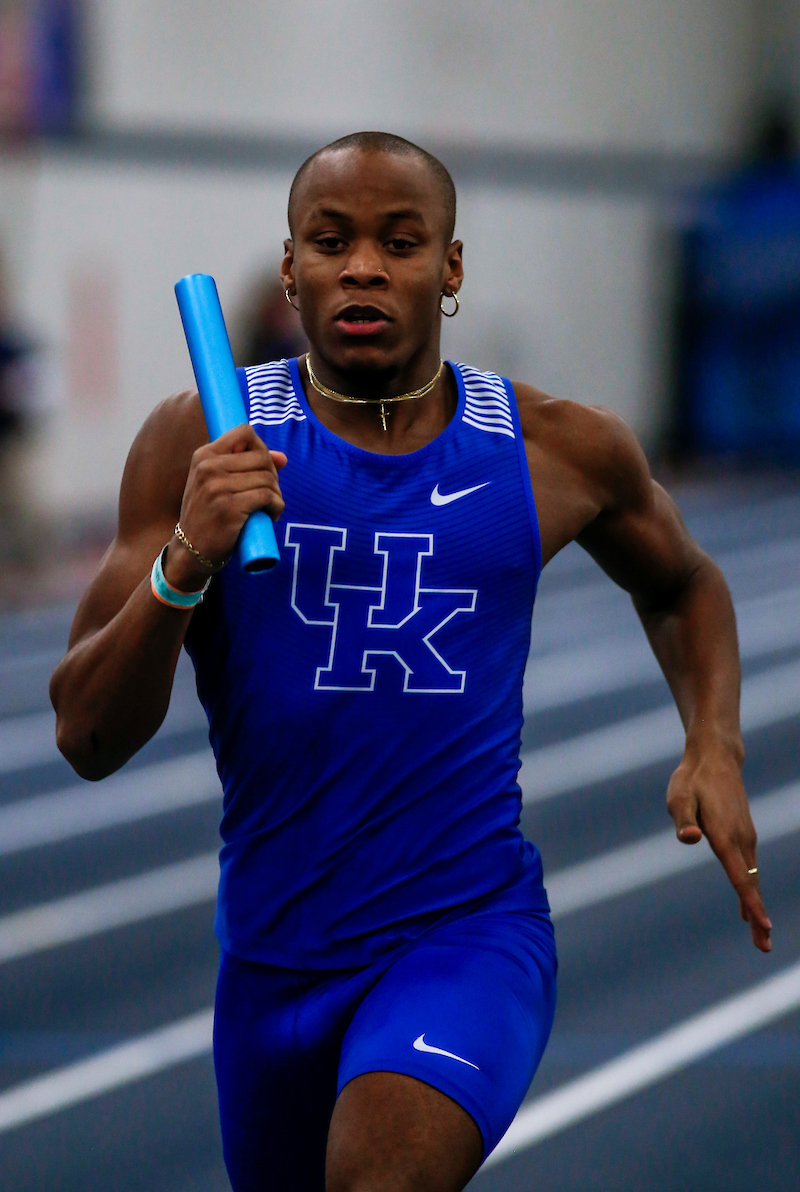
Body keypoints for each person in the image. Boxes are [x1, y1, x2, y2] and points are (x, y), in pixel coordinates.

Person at [50, 132, 771, 1192]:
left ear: (451, 266)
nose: (363, 269)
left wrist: (713, 744)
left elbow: (682, 583)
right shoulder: (197, 443)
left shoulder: (554, 448)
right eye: (330, 241)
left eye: (398, 242)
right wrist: (187, 558)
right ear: (289, 267)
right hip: (271, 962)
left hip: (465, 933)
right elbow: (84, 734)